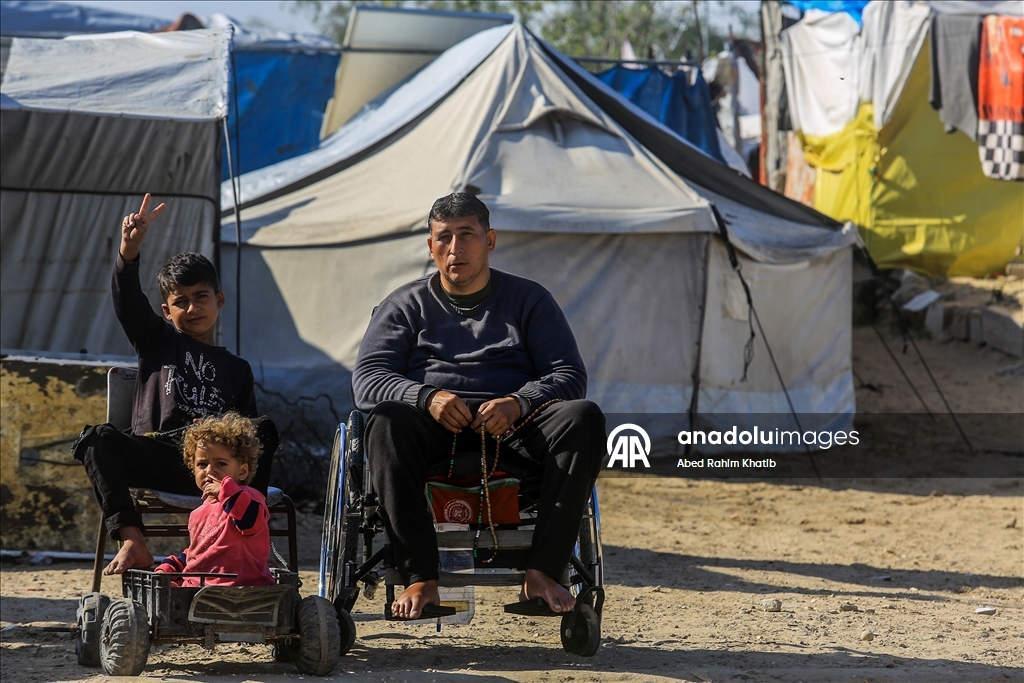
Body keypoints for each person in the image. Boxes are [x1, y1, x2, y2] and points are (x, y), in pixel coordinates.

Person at [352, 192, 605, 620]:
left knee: (583, 417)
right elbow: (368, 379)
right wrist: (425, 397)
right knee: (386, 421)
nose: (455, 248)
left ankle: (544, 572)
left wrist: (520, 402)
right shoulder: (405, 304)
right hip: (432, 433)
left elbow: (568, 374)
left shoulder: (529, 300)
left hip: (513, 432)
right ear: (430, 246)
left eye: (467, 235)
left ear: (489, 240)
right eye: (444, 237)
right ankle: (420, 577)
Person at [73, 194, 278, 576]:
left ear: (219, 299)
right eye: (180, 301)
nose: (192, 308)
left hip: (216, 466)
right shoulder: (157, 340)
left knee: (262, 429)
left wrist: (221, 452)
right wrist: (129, 249)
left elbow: (247, 443)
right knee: (96, 438)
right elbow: (126, 299)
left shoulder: (237, 368)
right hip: (161, 456)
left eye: (201, 297)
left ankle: (249, 528)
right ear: (166, 311)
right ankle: (133, 540)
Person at [154, 412, 274, 587]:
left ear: (242, 471)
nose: (209, 471)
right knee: (165, 589)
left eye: (221, 464)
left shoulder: (247, 497)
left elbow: (250, 522)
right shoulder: (198, 512)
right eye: (202, 464)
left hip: (237, 587)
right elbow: (199, 552)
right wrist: (171, 566)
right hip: (200, 586)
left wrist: (225, 489)